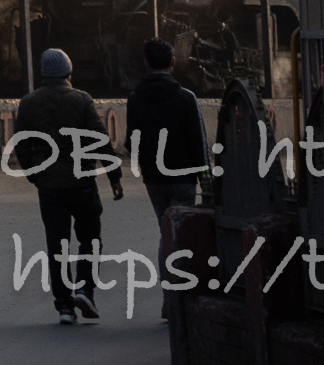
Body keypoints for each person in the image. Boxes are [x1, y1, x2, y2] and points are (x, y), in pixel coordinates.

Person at [15, 46, 117, 322]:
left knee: (57, 245)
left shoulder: (28, 103)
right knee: (89, 239)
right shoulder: (81, 99)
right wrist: (114, 176)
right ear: (69, 72)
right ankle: (85, 289)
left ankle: (64, 306)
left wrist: (34, 174)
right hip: (82, 183)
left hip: (49, 187)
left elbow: (21, 145)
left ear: (44, 75)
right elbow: (100, 139)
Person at [127, 37, 212, 225]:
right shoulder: (186, 98)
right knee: (181, 233)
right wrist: (207, 185)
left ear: (146, 62)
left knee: (165, 231)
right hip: (184, 179)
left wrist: (146, 164)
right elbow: (199, 144)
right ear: (173, 61)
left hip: (154, 179)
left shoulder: (135, 99)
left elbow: (131, 142)